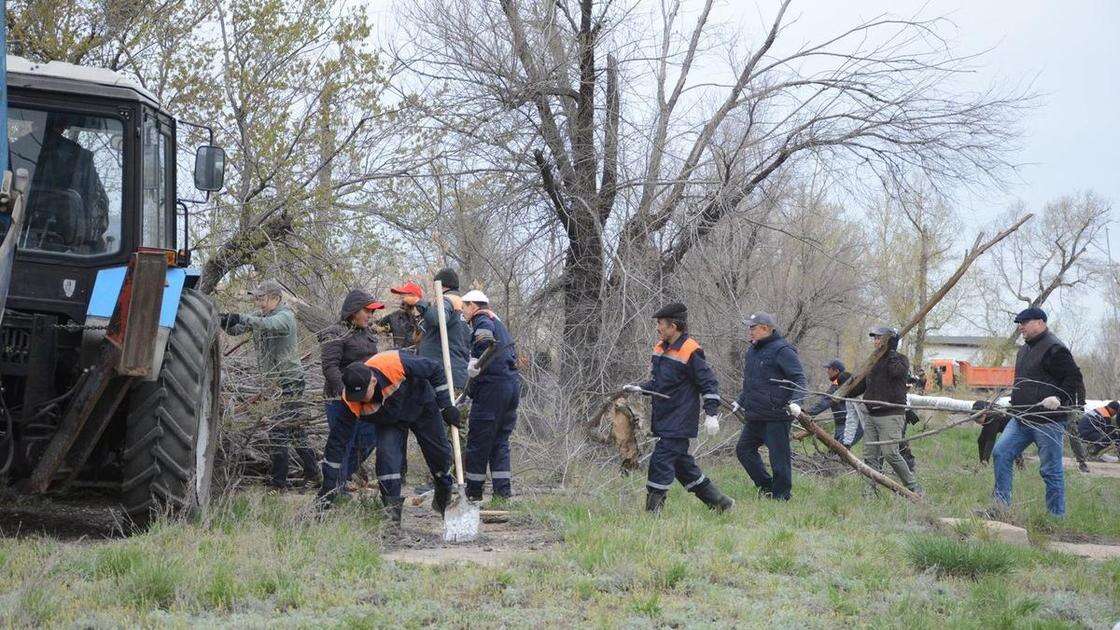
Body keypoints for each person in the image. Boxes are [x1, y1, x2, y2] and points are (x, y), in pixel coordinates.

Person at [625, 302, 734, 513]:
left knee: (661, 460)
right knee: (683, 467)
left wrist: (712, 414)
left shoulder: (691, 350)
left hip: (680, 420)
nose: (658, 328)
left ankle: (652, 513)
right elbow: (659, 384)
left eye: (660, 324)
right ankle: (721, 504)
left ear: (673, 326)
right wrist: (640, 388)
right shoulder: (660, 348)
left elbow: (709, 383)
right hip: (664, 417)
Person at [339, 351, 462, 526]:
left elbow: (435, 369)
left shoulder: (392, 364)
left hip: (422, 406)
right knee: (387, 462)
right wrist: (329, 486)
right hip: (390, 421)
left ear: (373, 381)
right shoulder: (350, 399)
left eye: (363, 394)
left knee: (440, 457)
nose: (360, 400)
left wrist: (446, 407)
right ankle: (392, 519)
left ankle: (443, 502)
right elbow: (338, 443)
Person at [220, 280, 320, 490]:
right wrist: (225, 321)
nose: (258, 302)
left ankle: (279, 482)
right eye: (256, 298)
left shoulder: (285, 316)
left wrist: (243, 317)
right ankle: (312, 472)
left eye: (262, 298)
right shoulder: (259, 315)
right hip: (273, 383)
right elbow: (238, 329)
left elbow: (269, 325)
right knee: (294, 430)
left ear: (276, 298)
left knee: (279, 430)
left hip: (289, 382)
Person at [990, 307, 1084, 517]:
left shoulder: (1055, 349)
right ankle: (1000, 508)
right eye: (1019, 324)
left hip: (1047, 421)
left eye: (1024, 323)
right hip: (1021, 418)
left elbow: (1074, 377)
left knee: (1050, 470)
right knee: (1001, 452)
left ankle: (1055, 517)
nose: (1020, 327)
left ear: (1040, 322)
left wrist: (1058, 398)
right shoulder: (1024, 349)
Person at [316, 289, 384, 503]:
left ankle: (340, 479)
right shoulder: (335, 332)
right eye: (367, 311)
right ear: (354, 311)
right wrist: (345, 392)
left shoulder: (368, 333)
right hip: (339, 400)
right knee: (342, 443)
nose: (370, 316)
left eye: (372, 312)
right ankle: (334, 489)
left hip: (367, 399)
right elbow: (330, 367)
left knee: (369, 438)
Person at [731, 312, 806, 501]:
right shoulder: (752, 351)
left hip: (777, 414)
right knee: (744, 450)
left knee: (779, 459)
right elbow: (752, 382)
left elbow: (799, 378)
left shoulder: (783, 350)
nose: (750, 331)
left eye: (753, 328)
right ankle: (767, 487)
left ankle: (781, 497)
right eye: (749, 327)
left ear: (765, 328)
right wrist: (740, 400)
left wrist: (796, 402)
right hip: (755, 414)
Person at [460, 290, 520, 501]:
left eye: (464, 307)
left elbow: (484, 340)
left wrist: (475, 362)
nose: (463, 312)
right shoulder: (499, 321)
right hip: (510, 388)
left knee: (478, 440)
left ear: (472, 306)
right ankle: (502, 494)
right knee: (499, 441)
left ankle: (473, 495)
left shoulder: (482, 319)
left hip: (492, 390)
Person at [849, 326, 922, 496]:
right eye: (874, 338)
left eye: (879, 338)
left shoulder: (900, 360)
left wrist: (892, 352)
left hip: (891, 415)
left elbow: (897, 373)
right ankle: (869, 492)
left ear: (889, 340)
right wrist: (842, 392)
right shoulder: (873, 362)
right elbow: (861, 386)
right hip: (871, 415)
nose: (876, 341)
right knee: (870, 457)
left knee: (890, 454)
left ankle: (914, 487)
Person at [415, 268, 471, 392]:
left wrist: (419, 304)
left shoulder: (447, 300)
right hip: (460, 373)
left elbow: (437, 319)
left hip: (443, 374)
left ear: (441, 286)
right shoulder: (466, 305)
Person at [806, 359, 863, 445]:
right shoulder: (839, 382)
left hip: (850, 424)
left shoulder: (841, 383)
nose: (827, 371)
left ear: (836, 371)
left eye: (829, 369)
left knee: (840, 450)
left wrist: (808, 413)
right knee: (834, 451)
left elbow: (826, 401)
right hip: (841, 423)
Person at [379, 281, 422, 351]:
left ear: (414, 299)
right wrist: (385, 329)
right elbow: (374, 326)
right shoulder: (394, 316)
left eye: (405, 298)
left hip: (419, 358)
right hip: (399, 358)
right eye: (401, 298)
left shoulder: (426, 317)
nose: (402, 302)